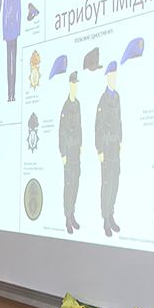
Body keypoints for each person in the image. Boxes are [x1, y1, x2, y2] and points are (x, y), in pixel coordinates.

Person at [95, 62, 122, 237]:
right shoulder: (103, 101)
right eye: (111, 76)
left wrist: (121, 140)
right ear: (107, 78)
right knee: (106, 184)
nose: (114, 79)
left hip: (115, 149)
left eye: (115, 76)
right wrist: (100, 149)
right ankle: (105, 218)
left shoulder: (117, 97)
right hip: (106, 148)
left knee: (114, 183)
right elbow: (98, 126)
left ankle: (111, 215)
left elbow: (119, 121)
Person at [59, 71, 82, 234]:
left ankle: (72, 213)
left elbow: (79, 127)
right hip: (68, 152)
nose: (75, 87)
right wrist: (63, 153)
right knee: (68, 185)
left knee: (75, 183)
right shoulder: (66, 108)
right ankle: (67, 217)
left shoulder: (77, 104)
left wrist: (80, 145)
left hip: (76, 152)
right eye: (73, 84)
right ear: (69, 85)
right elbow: (61, 131)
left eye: (76, 84)